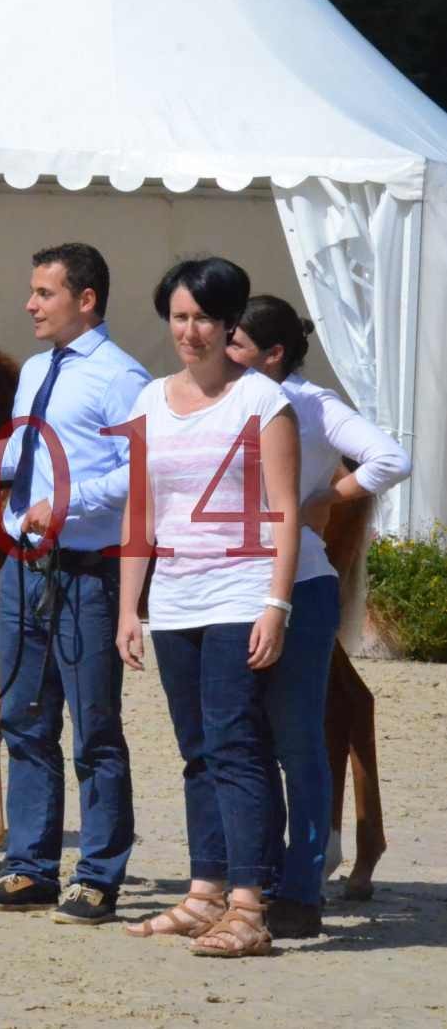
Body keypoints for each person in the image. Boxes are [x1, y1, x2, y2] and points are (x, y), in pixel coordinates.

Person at [0, 243, 147, 925]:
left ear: (86, 299)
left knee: (94, 729)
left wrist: (66, 503)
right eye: (33, 291)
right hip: (25, 569)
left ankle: (97, 876)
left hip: (84, 571)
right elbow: (17, 453)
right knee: (25, 721)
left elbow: (138, 473)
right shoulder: (39, 370)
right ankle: (31, 868)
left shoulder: (120, 378)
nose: (29, 304)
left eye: (43, 293)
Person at [118, 258, 301, 957]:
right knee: (196, 752)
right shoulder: (147, 401)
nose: (188, 331)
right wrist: (129, 608)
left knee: (235, 747)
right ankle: (203, 894)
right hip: (173, 598)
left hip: (238, 593)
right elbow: (141, 511)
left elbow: (283, 509)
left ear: (229, 324)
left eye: (202, 318)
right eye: (178, 317)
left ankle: (249, 907)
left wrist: (274, 604)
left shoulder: (260, 401)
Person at [226, 294, 411, 937]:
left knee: (296, 733)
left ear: (274, 354)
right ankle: (260, 872)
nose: (224, 352)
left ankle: (302, 874)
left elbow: (391, 458)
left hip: (291, 574)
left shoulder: (310, 402)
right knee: (240, 736)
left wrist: (324, 500)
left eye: (237, 343)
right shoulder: (223, 396)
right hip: (225, 575)